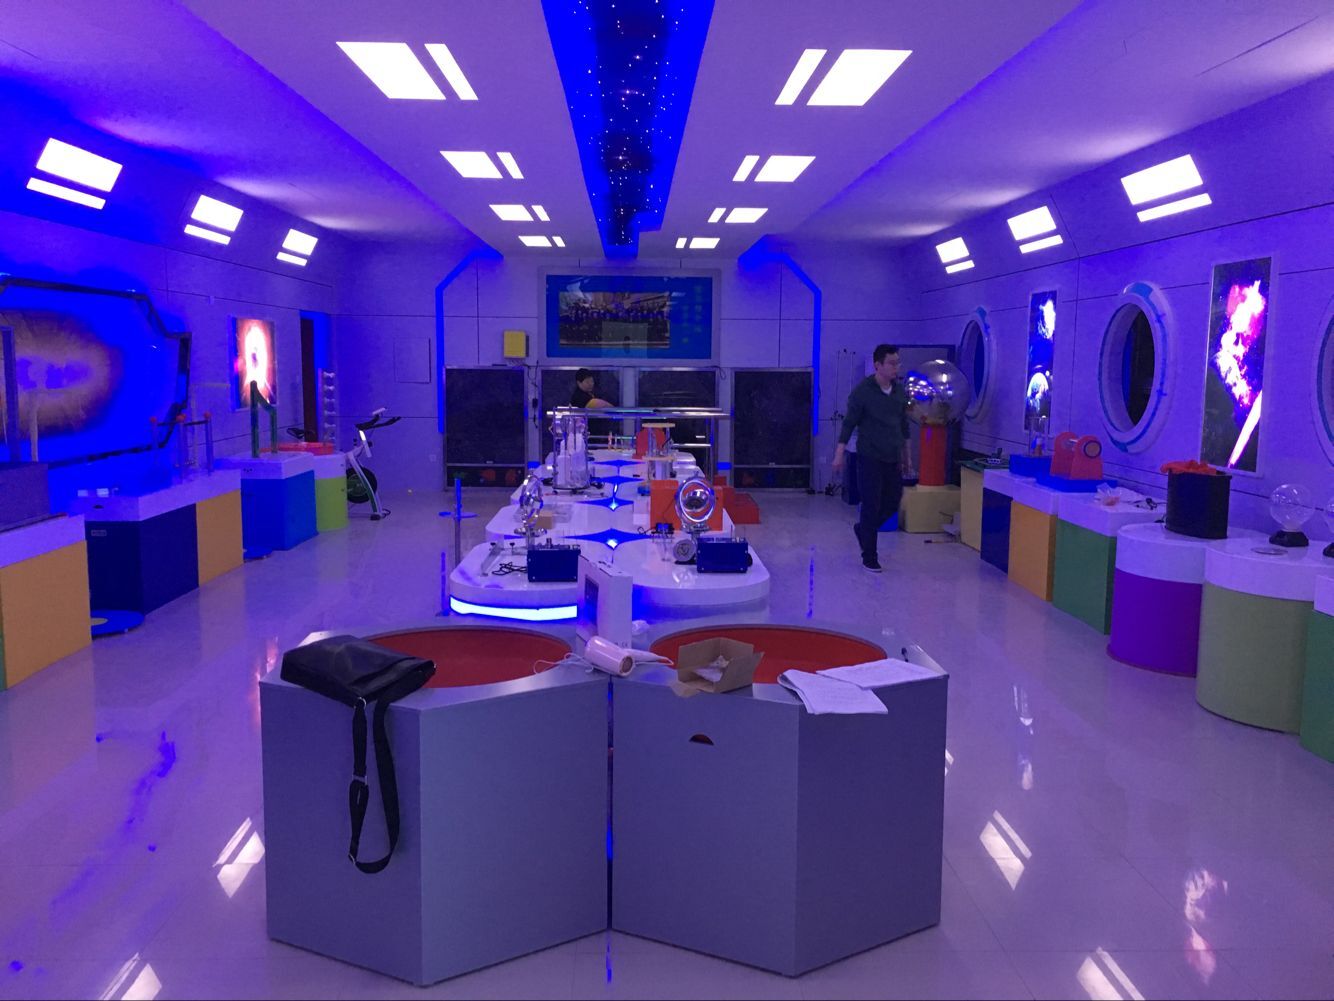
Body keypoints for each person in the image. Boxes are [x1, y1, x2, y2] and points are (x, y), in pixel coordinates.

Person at [832, 344, 910, 573]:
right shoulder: (863, 392)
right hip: (869, 458)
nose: (896, 367)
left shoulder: (899, 392)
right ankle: (870, 556)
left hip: (892, 458)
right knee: (871, 505)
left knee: (892, 502)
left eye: (897, 363)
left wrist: (907, 457)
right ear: (878, 365)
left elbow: (903, 426)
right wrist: (839, 454)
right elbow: (849, 424)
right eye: (891, 363)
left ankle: (863, 530)